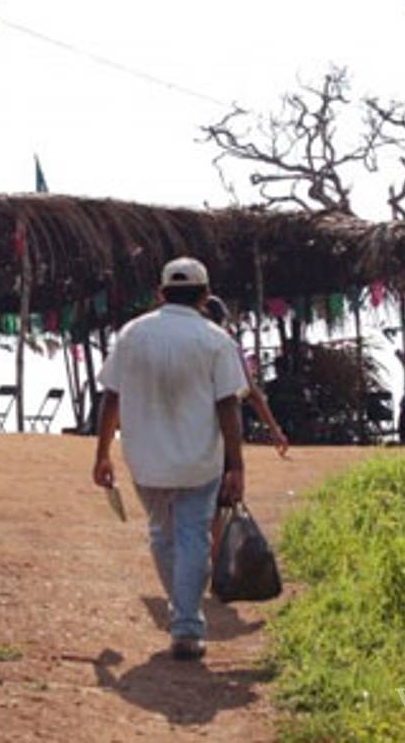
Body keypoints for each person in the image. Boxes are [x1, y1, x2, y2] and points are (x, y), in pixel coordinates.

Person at [92, 257, 248, 661]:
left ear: (161, 293)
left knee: (163, 535)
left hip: (145, 461)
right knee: (193, 537)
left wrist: (102, 453)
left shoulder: (132, 335)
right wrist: (237, 465)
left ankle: (184, 617)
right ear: (203, 295)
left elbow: (112, 396)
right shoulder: (215, 339)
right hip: (200, 462)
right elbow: (228, 405)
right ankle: (186, 624)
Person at [202, 295, 288, 563]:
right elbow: (251, 392)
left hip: (191, 429)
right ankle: (216, 564)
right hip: (224, 431)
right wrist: (273, 428)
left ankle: (199, 560)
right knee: (221, 502)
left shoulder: (188, 344)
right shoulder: (227, 346)